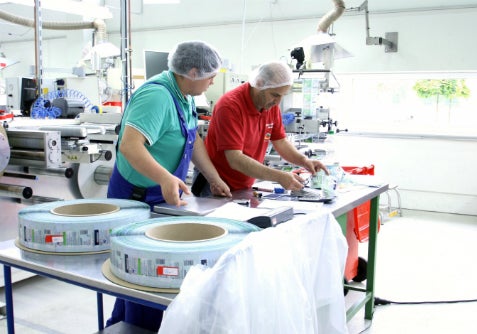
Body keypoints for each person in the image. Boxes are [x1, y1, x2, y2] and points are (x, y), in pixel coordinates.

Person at [105, 40, 231, 332]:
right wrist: (164, 177)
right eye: (211, 75)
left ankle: (124, 325)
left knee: (143, 274)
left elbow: (192, 139)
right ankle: (135, 327)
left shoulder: (184, 94)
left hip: (157, 198)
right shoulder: (157, 96)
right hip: (136, 199)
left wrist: (212, 177)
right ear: (193, 71)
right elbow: (130, 146)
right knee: (142, 275)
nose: (213, 80)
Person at [192, 61, 328, 195]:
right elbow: (235, 159)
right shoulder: (230, 106)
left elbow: (280, 141)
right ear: (259, 84)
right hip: (216, 185)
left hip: (244, 185)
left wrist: (304, 161)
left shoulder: (270, 106)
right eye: (275, 95)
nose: (278, 102)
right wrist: (279, 176)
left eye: (282, 95)